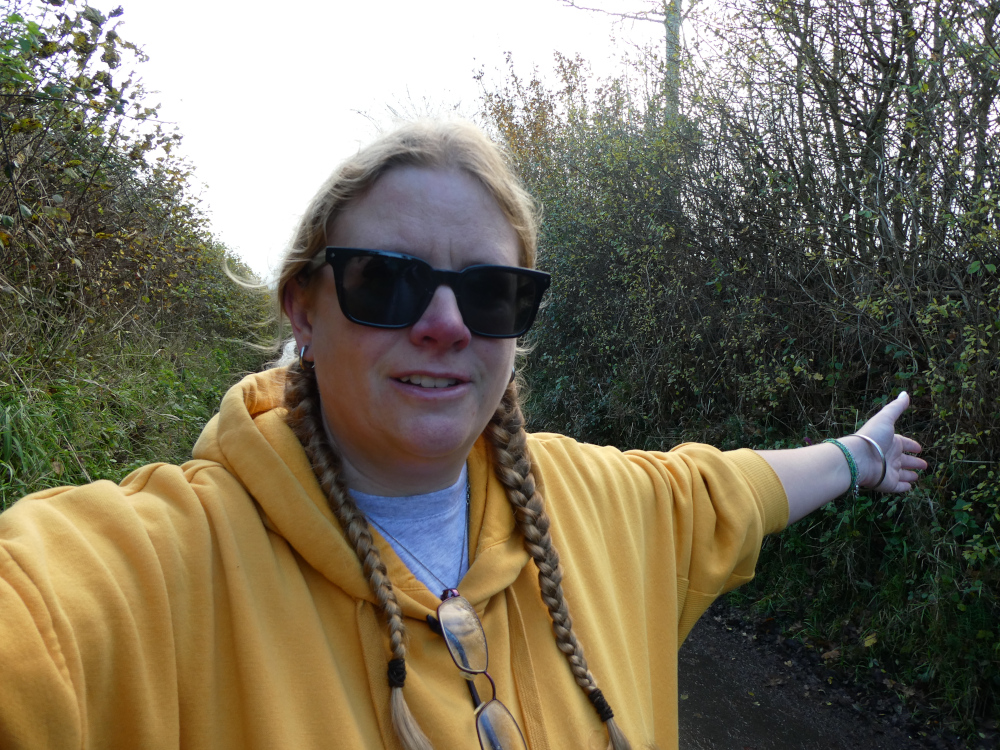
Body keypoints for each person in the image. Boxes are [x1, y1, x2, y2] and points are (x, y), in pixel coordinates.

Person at [0, 120, 925, 750]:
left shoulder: (596, 501)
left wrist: (859, 456)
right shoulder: (158, 566)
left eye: (490, 293)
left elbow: (727, 488)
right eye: (386, 281)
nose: (445, 323)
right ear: (304, 310)